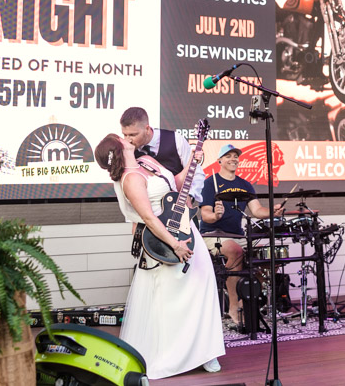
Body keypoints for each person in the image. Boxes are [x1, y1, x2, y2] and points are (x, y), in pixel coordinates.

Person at [94, 134, 225, 377]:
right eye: (121, 138)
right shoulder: (131, 178)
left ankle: (205, 351)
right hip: (163, 242)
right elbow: (148, 218)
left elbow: (175, 183)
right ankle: (173, 355)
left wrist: (192, 161)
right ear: (119, 150)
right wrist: (175, 245)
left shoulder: (146, 162)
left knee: (202, 287)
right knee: (172, 300)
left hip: (186, 229)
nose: (126, 138)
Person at [199, 143, 283, 328]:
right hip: (212, 234)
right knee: (235, 251)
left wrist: (272, 212)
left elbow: (257, 210)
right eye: (228, 156)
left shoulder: (245, 184)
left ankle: (245, 302)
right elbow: (205, 214)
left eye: (235, 156)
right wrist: (216, 216)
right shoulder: (210, 183)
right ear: (219, 161)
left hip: (237, 235)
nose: (233, 159)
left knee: (269, 256)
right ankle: (233, 306)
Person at [120, 106, 205, 203]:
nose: (128, 140)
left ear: (147, 129)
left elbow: (197, 173)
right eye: (125, 135)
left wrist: (190, 195)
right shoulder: (126, 150)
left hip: (178, 205)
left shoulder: (175, 139)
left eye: (133, 135)